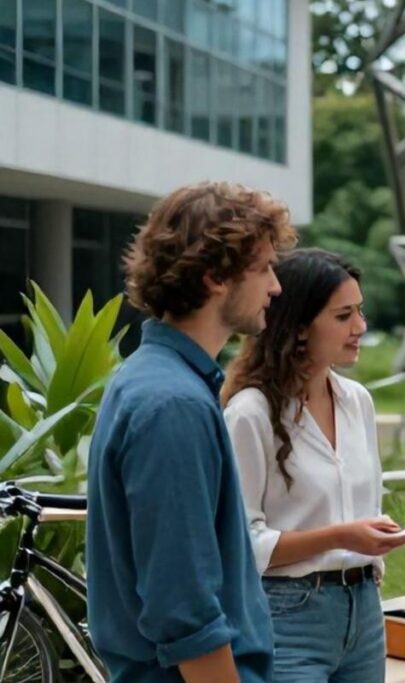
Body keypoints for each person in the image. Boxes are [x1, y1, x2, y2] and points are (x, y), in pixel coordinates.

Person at [86, 182, 296, 681]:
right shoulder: (171, 404)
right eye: (263, 267)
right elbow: (184, 610)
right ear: (214, 277)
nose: (275, 286)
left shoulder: (154, 381)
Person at [222, 248, 405, 682]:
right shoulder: (250, 413)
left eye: (359, 312)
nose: (360, 327)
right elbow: (242, 544)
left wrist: (373, 534)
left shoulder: (357, 402)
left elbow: (363, 508)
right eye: (344, 316)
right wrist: (343, 536)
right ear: (300, 327)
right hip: (288, 616)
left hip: (364, 610)